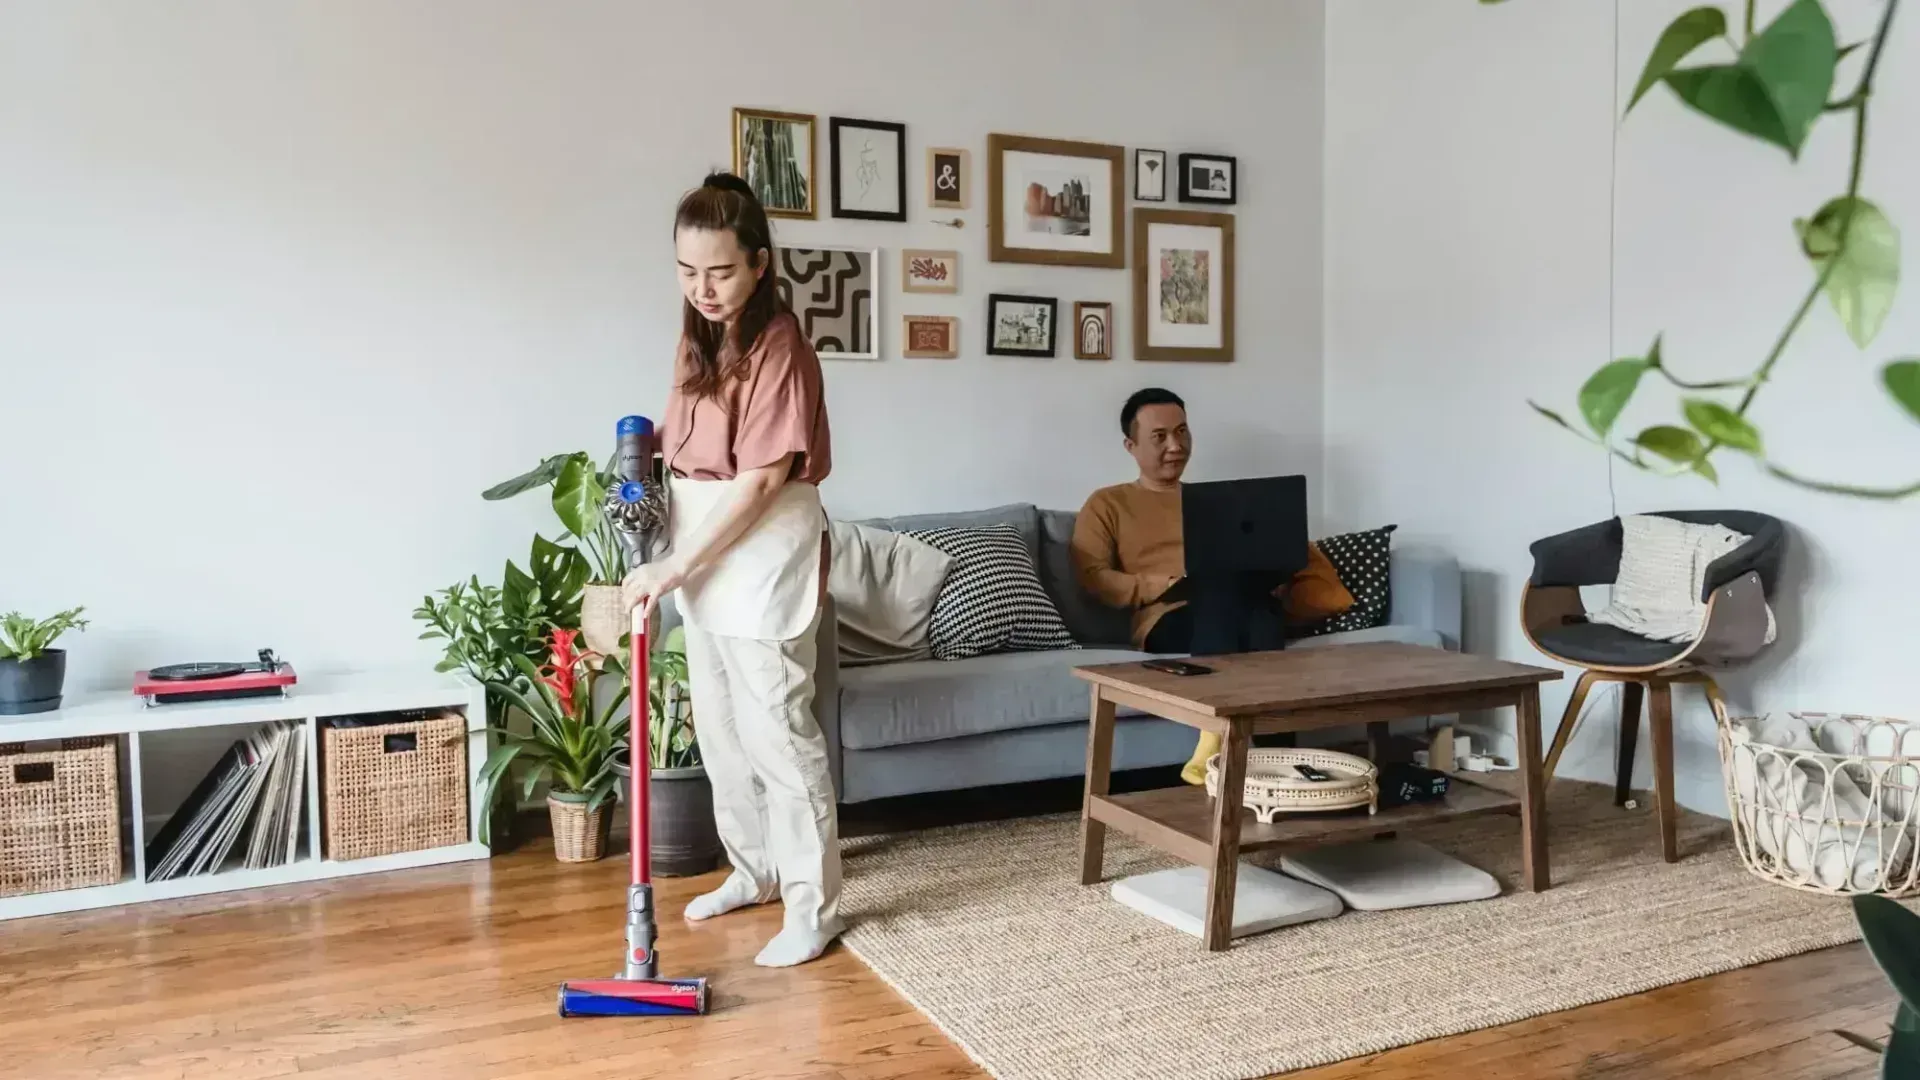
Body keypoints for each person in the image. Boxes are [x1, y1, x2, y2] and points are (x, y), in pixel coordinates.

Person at [620, 172, 841, 968]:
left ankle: (813, 907)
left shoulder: (782, 348)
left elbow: (758, 483)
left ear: (757, 263)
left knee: (780, 734)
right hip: (701, 553)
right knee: (720, 730)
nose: (703, 288)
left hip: (759, 550)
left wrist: (677, 565)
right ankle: (754, 873)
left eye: (719, 271)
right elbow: (684, 455)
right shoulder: (695, 341)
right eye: (687, 271)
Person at [1069, 388, 1356, 785]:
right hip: (1167, 616)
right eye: (1160, 437)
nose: (1176, 445)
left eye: (1183, 432)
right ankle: (1249, 744)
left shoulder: (1220, 501)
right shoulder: (1108, 503)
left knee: (1254, 605)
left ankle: (1256, 762)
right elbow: (1094, 578)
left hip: (1238, 601)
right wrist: (1162, 584)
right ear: (1130, 445)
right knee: (1232, 598)